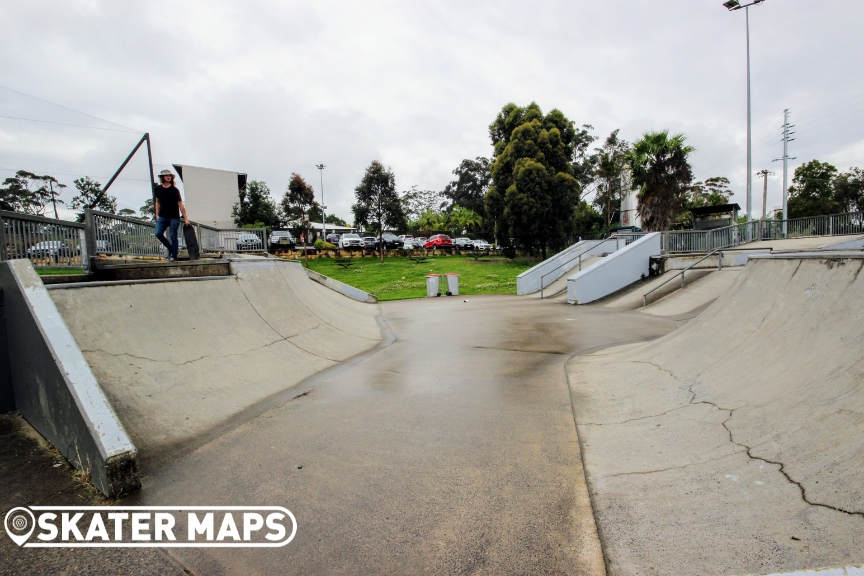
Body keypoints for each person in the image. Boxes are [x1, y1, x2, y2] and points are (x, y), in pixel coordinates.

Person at [153, 169, 189, 261]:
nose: (168, 177)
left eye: (170, 176)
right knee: (158, 233)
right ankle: (171, 248)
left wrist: (186, 219)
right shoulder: (158, 189)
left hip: (174, 217)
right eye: (166, 175)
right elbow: (157, 202)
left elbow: (180, 205)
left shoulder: (174, 190)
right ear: (162, 177)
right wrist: (157, 214)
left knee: (174, 236)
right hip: (162, 216)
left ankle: (174, 255)